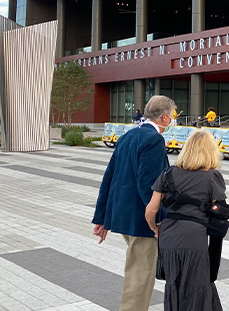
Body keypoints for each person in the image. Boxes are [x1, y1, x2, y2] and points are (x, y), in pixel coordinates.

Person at [92, 95, 174, 311]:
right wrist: (156, 221)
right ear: (165, 117)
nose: (173, 120)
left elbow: (109, 177)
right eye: (173, 116)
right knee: (140, 276)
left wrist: (102, 218)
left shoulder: (127, 136)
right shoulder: (154, 140)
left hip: (123, 217)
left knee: (139, 271)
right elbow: (149, 185)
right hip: (142, 220)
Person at [145, 129, 226, 311]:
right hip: (195, 238)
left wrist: (155, 229)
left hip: (168, 238)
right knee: (199, 287)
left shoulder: (167, 174)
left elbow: (150, 210)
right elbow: (220, 214)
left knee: (174, 286)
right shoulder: (212, 177)